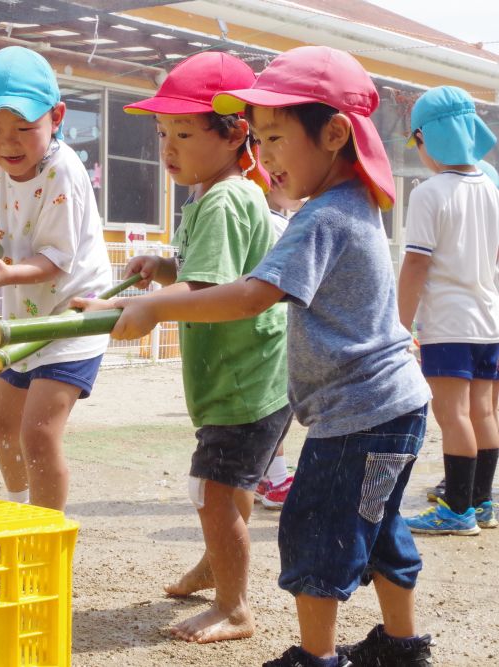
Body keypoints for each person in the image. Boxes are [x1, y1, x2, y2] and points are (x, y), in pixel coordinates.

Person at [74, 46, 433, 667]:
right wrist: (165, 273)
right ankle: (402, 646)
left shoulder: (323, 216)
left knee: (316, 531)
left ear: (334, 134)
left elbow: (249, 296)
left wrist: (156, 307)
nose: (263, 156)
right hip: (393, 408)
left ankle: (316, 657)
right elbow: (246, 274)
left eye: (273, 138)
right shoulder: (355, 206)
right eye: (259, 140)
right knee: (379, 531)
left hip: (358, 416)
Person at [120, 51, 291, 644]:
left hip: (244, 380)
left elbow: (209, 288)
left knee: (215, 490)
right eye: (163, 132)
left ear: (235, 133)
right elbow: (203, 273)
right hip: (244, 374)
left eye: (185, 133)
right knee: (228, 487)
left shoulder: (222, 198)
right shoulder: (215, 193)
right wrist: (164, 268)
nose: (168, 146)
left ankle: (235, 607)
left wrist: (140, 307)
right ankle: (217, 564)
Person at [0, 46, 112, 511]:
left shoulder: (62, 172)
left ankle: (44, 537)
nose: (8, 143)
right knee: (2, 423)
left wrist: (5, 272)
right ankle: (17, 510)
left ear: (57, 117)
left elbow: (55, 259)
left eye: (25, 128)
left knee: (38, 433)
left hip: (74, 309)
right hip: (26, 308)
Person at [397, 86, 499, 536]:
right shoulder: (491, 186)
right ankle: (481, 503)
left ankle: (456, 510)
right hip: (488, 318)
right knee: (483, 412)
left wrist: (398, 324)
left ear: (427, 139)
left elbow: (416, 262)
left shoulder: (430, 192)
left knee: (451, 415)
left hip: (449, 323)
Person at [255, 186, 304, 511]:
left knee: (272, 407)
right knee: (276, 407)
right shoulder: (275, 224)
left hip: (266, 327)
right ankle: (276, 480)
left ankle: (267, 475)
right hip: (275, 327)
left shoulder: (269, 219)